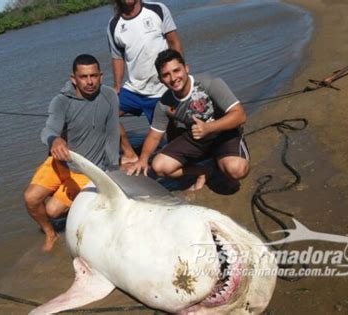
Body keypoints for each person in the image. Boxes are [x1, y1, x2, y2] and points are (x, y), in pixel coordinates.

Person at [24, 54, 120, 252]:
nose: (90, 81)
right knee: (30, 198)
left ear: (101, 76)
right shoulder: (60, 102)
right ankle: (50, 233)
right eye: (83, 77)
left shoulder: (109, 96)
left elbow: (112, 133)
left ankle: (76, 213)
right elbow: (48, 130)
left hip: (84, 169)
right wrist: (55, 139)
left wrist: (113, 169)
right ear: (73, 78)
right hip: (59, 162)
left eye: (94, 76)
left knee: (52, 210)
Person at [127, 49, 250, 191]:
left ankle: (221, 160)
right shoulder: (164, 103)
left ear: (186, 68)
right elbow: (154, 136)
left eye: (176, 70)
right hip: (197, 138)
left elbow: (240, 115)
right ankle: (203, 171)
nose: (173, 78)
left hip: (225, 134)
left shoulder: (210, 83)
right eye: (166, 75)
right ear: (161, 80)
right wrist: (142, 160)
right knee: (159, 166)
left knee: (237, 171)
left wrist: (209, 128)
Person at [107, 0, 183, 164]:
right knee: (106, 113)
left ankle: (178, 158)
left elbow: (173, 41)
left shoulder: (157, 9)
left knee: (171, 131)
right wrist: (117, 85)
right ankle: (129, 153)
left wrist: (179, 73)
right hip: (133, 89)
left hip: (161, 89)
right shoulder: (114, 24)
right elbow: (117, 57)